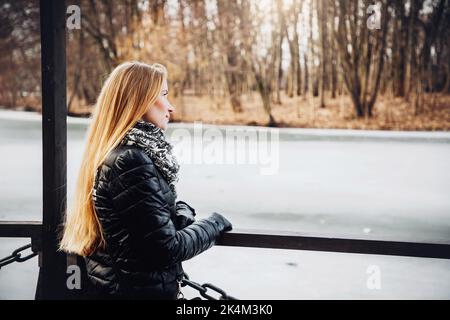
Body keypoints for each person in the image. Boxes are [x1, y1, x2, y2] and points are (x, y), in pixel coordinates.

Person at [59, 61, 232, 299]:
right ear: (139, 101)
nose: (171, 108)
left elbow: (140, 231)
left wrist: (180, 212)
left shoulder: (117, 154)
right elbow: (166, 250)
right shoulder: (131, 162)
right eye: (163, 95)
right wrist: (215, 223)